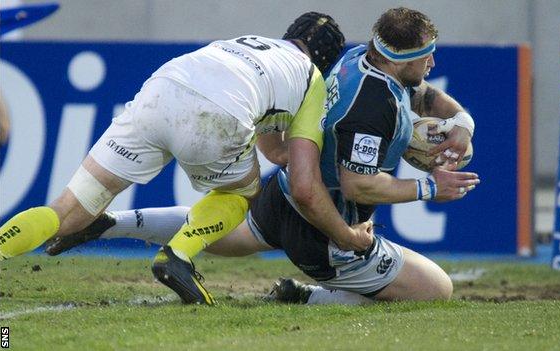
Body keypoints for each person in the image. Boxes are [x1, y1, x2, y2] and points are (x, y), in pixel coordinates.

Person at [46, 7, 480, 304]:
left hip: (284, 195)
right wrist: (428, 187)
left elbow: (421, 94)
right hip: (326, 224)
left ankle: (108, 224)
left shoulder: (356, 59)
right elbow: (358, 184)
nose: (432, 61)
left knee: (229, 236)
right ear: (400, 59)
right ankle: (306, 295)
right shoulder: (371, 108)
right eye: (425, 55)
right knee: (435, 289)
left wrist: (461, 121)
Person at [0, 12, 375, 305]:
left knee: (67, 213)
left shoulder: (246, 44)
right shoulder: (311, 78)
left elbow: (269, 143)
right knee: (243, 195)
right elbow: (299, 177)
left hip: (160, 90)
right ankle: (177, 255)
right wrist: (345, 229)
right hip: (217, 115)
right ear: (326, 62)